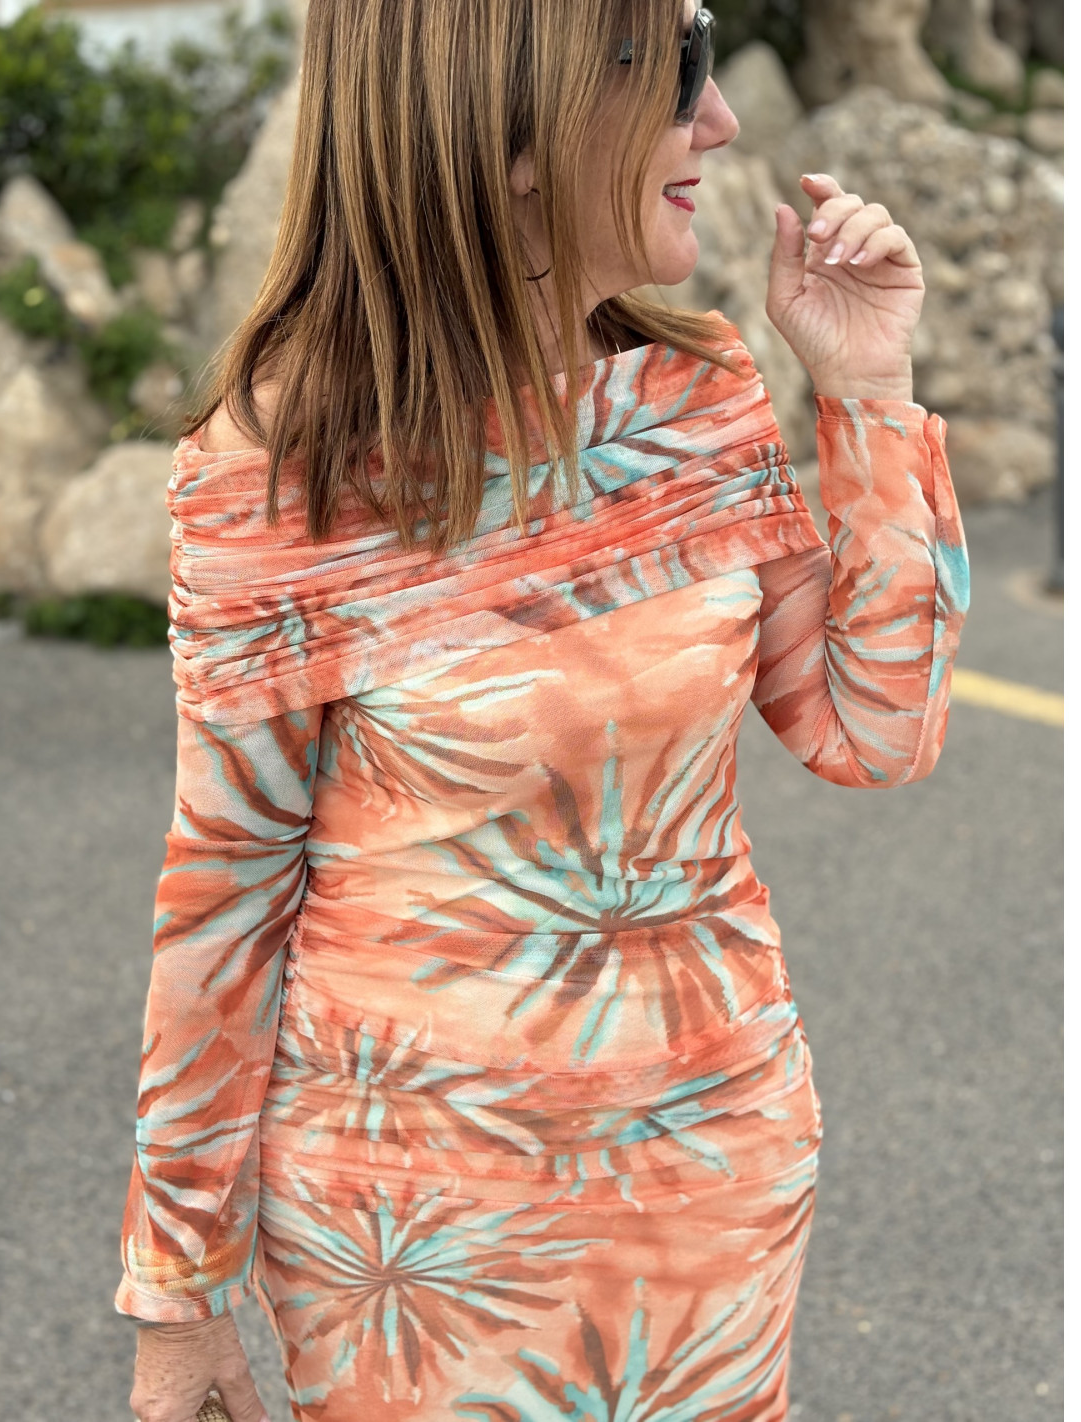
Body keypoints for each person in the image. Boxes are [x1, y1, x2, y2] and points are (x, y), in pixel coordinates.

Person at [119, 1, 969, 1419]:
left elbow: (877, 732)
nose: (720, 121)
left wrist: (868, 392)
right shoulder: (284, 473)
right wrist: (178, 1302)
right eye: (680, 67)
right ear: (514, 118)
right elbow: (224, 899)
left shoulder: (696, 401)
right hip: (415, 1243)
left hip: (713, 1180)